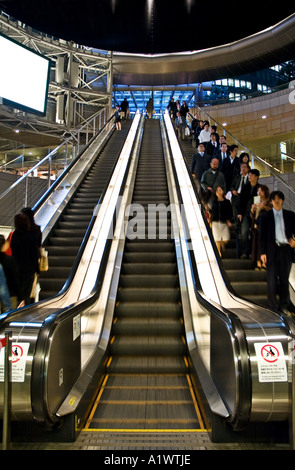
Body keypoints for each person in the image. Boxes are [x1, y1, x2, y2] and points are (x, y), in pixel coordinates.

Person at [259, 191, 295, 315]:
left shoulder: (290, 215)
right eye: (274, 199)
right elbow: (261, 236)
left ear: (283, 200)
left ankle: (284, 305)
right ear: (271, 201)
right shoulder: (265, 216)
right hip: (271, 250)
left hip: (286, 250)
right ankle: (273, 307)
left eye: (279, 198)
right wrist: (262, 253)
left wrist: (294, 240)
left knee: (284, 280)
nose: (277, 201)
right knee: (272, 280)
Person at [10, 213, 40, 306]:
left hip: (16, 268)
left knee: (18, 294)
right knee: (26, 293)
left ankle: (16, 311)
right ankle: (23, 312)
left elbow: (13, 251)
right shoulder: (31, 236)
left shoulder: (14, 235)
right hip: (28, 269)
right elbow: (34, 254)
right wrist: (37, 268)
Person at [237, 168, 260, 259]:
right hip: (246, 212)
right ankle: (244, 251)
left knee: (254, 233)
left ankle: (252, 252)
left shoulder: (259, 188)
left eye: (251, 175)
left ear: (256, 177)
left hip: (256, 213)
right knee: (244, 231)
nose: (249, 177)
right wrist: (239, 213)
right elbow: (241, 201)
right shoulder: (245, 187)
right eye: (249, 175)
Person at [250, 185, 272, 270]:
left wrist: (264, 207)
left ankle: (264, 263)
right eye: (258, 191)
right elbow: (253, 216)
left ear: (265, 192)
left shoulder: (268, 201)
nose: (259, 192)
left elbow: (272, 211)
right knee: (256, 244)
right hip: (257, 226)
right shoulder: (256, 201)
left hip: (266, 227)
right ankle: (258, 262)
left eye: (261, 191)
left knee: (263, 244)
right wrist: (252, 210)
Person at [0, 234, 22, 309]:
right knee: (8, 317)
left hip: (8, 293)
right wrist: (20, 296)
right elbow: (15, 279)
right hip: (10, 294)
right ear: (4, 245)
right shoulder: (10, 260)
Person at [211, 186, 233, 257]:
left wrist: (228, 220)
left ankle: (222, 244)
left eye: (220, 190)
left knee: (226, 239)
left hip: (224, 222)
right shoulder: (214, 202)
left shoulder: (227, 202)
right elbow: (212, 212)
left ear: (223, 191)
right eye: (217, 191)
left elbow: (229, 212)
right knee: (216, 238)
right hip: (215, 222)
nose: (219, 192)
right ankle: (218, 252)